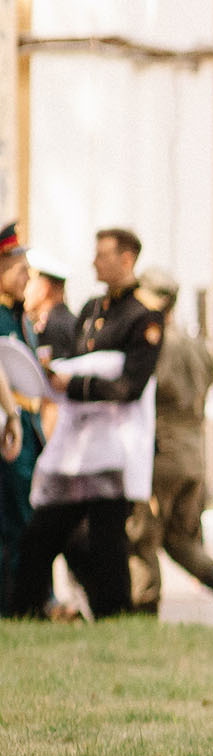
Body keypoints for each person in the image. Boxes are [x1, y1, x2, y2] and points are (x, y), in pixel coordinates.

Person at [11, 228, 161, 621]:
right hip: (78, 446)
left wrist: (74, 384)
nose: (95, 262)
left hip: (112, 447)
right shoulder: (93, 309)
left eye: (103, 254)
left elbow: (130, 384)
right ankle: (24, 606)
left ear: (126, 259)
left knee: (108, 538)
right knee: (45, 529)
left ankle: (115, 614)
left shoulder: (142, 315)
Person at [127, 269, 213, 622]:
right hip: (193, 453)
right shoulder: (196, 344)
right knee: (182, 540)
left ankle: (144, 608)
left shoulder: (157, 343)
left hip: (162, 450)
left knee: (143, 534)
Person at [0, 224, 46, 612]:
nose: (28, 277)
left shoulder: (19, 315)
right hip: (7, 429)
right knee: (15, 520)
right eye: (19, 269)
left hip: (26, 427)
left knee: (26, 516)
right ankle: (16, 603)